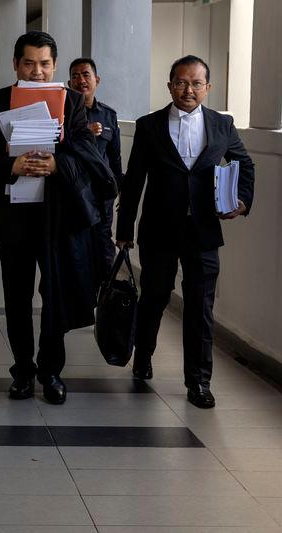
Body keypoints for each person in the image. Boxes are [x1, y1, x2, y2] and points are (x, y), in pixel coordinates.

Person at [0, 31, 116, 405]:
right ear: (16, 64)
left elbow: (86, 152)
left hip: (57, 218)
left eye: (45, 64)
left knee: (55, 297)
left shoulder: (71, 103)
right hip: (12, 216)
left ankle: (51, 371)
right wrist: (11, 164)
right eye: (30, 63)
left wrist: (57, 163)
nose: (37, 71)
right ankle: (22, 371)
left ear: (54, 65)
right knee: (16, 298)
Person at [116, 55, 255, 409]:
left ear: (207, 88)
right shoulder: (150, 126)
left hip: (204, 233)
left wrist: (241, 200)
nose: (188, 90)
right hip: (159, 231)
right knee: (154, 299)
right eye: (180, 82)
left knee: (200, 307)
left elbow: (244, 163)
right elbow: (134, 182)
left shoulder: (222, 125)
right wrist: (124, 229)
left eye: (196, 83)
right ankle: (143, 358)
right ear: (169, 86)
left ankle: (198, 382)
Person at [69, 57, 124, 277]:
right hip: (75, 194)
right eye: (75, 76)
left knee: (103, 248)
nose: (80, 80)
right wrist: (84, 134)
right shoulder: (64, 114)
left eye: (85, 75)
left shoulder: (108, 115)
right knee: (76, 250)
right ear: (69, 82)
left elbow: (115, 158)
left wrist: (120, 190)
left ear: (96, 79)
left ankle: (104, 301)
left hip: (102, 196)